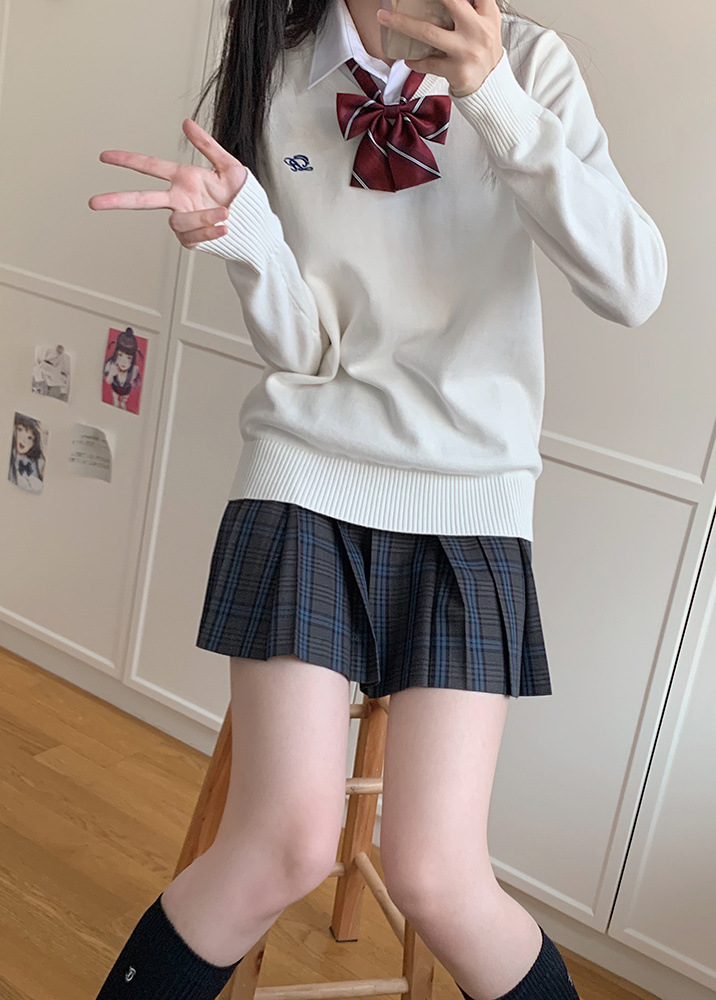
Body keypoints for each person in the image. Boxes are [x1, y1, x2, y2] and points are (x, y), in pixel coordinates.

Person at [87, 0, 668, 996]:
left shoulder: (528, 61)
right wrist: (246, 240)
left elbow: (633, 286)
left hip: (470, 502)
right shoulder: (280, 74)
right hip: (307, 477)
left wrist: (494, 99)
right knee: (282, 843)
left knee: (438, 876)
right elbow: (305, 347)